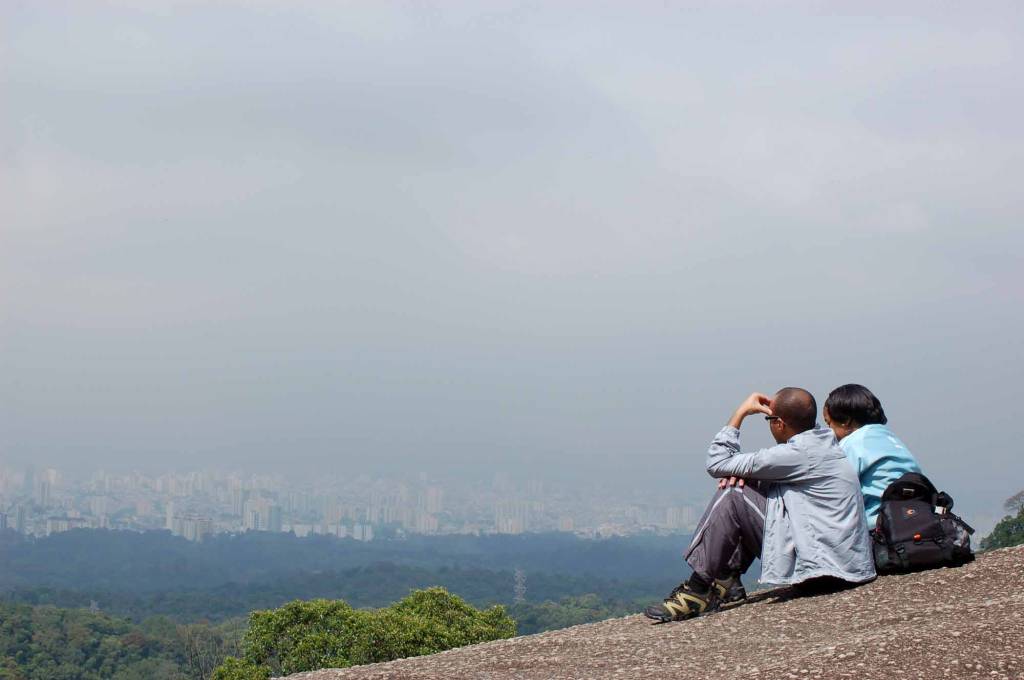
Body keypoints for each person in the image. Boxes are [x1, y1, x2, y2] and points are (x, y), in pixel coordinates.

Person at [644, 388, 876, 623]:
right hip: (845, 567)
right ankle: (726, 580)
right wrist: (747, 476)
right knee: (746, 488)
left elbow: (717, 462)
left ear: (779, 424)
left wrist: (741, 412)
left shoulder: (797, 453)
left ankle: (699, 590)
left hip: (822, 573)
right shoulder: (822, 444)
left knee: (733, 494)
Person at [823, 384, 922, 528]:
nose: (829, 431)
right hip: (913, 521)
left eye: (829, 423)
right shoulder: (892, 440)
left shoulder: (852, 444)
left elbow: (832, 495)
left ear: (846, 421)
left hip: (879, 530)